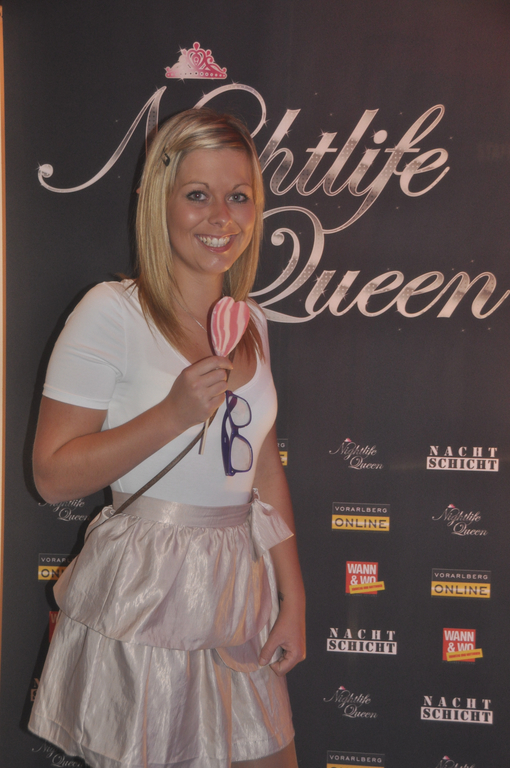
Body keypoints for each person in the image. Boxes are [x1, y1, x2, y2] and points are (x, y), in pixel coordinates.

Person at [28, 108, 306, 768]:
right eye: (198, 194)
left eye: (239, 196)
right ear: (160, 200)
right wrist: (172, 414)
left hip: (241, 590)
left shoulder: (252, 323)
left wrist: (293, 597)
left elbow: (263, 468)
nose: (221, 217)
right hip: (150, 593)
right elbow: (52, 476)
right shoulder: (111, 313)